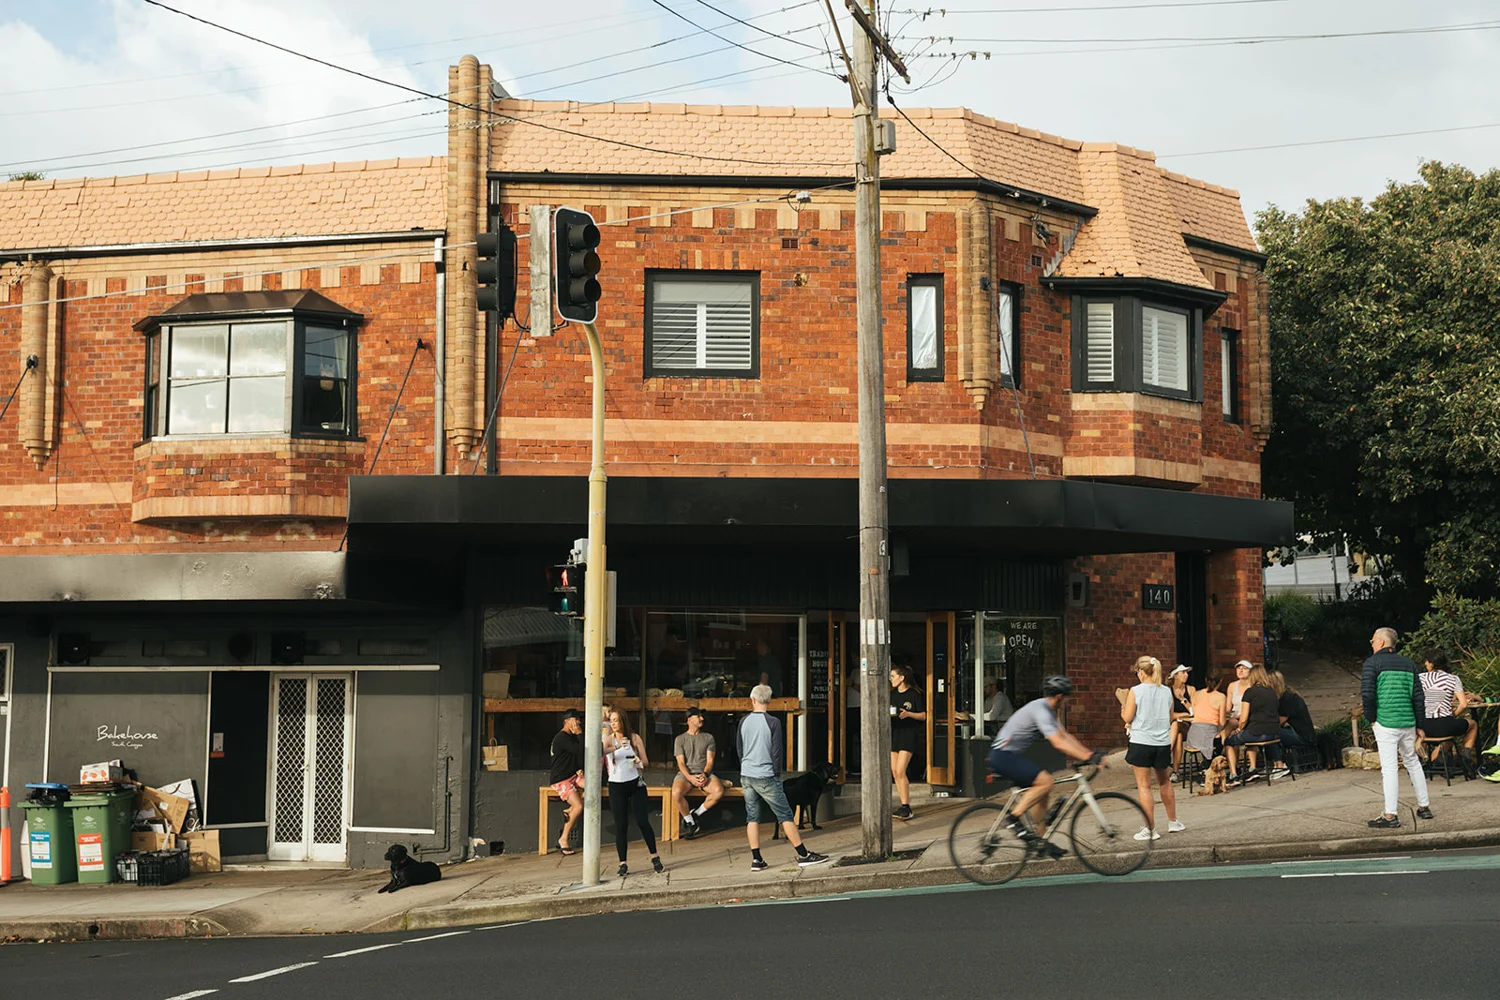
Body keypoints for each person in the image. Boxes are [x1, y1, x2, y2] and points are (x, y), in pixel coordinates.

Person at [986, 675, 1101, 852]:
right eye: (1065, 697)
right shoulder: (1041, 709)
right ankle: (1014, 818)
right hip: (1002, 756)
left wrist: (1088, 754)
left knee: (1043, 793)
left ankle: (1041, 842)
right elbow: (1057, 742)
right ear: (1060, 696)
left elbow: (1065, 736)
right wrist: (1087, 758)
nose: (1065, 701)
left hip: (1007, 755)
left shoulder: (1048, 711)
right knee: (1046, 781)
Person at [737, 684, 830, 872]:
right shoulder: (773, 722)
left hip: (747, 774)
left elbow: (739, 747)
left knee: (752, 817)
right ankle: (803, 854)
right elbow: (776, 752)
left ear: (753, 700)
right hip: (766, 775)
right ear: (769, 701)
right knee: (785, 815)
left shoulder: (743, 721)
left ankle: (756, 859)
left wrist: (745, 766)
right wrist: (776, 775)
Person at [1361, 627, 1432, 827]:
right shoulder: (1408, 664)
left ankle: (1390, 815)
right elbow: (1418, 697)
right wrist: (1420, 725)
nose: (1372, 644)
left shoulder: (1372, 663)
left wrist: (1371, 719)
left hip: (1385, 722)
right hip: (1408, 722)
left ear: (1381, 642)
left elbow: (1368, 694)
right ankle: (1424, 806)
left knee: (1390, 769)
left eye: (1373, 640)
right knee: (1413, 763)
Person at [1121, 656, 1183, 840]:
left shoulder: (1135, 691)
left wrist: (1123, 709)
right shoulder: (1166, 691)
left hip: (1141, 741)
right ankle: (1173, 822)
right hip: (1162, 742)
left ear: (1140, 672)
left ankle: (1150, 829)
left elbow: (1127, 717)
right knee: (1165, 782)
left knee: (1144, 786)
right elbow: (1170, 716)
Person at [604, 708, 664, 876]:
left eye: (616, 720)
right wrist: (617, 746)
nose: (613, 724)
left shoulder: (635, 738)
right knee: (621, 824)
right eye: (611, 720)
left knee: (642, 821)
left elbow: (645, 761)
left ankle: (655, 856)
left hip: (635, 783)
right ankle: (622, 862)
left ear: (623, 720)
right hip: (616, 785)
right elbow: (600, 752)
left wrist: (638, 762)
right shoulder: (608, 740)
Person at [1225, 665, 1286, 783]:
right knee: (1248, 737)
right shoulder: (1272, 691)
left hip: (1257, 732)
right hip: (1274, 733)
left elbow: (1243, 718)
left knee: (1229, 741)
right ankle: (1252, 769)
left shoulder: (1250, 692)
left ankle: (1233, 774)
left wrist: (1240, 728)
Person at [1417, 649, 1477, 764]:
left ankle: (1427, 761)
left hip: (1424, 726)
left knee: (1450, 730)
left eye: (1426, 661)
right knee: (1472, 724)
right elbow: (1464, 704)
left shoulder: (1420, 678)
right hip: (1445, 725)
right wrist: (1453, 714)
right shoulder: (1453, 679)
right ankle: (1465, 756)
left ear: (1432, 663)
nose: (1425, 664)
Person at [672, 707, 723, 839]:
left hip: (704, 773)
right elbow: (681, 763)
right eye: (698, 716)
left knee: (718, 791)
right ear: (689, 719)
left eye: (701, 716)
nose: (702, 719)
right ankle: (690, 822)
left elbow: (710, 761)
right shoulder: (680, 739)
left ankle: (696, 814)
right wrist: (690, 778)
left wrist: (704, 775)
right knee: (676, 793)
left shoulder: (708, 738)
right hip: (686, 774)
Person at [889, 662, 926, 821]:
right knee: (895, 772)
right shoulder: (892, 694)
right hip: (894, 732)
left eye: (893, 676)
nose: (890, 679)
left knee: (900, 770)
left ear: (902, 677)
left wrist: (909, 714)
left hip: (908, 734)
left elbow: (924, 715)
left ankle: (906, 806)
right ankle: (903, 805)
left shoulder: (914, 694)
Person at [548, 709, 585, 855]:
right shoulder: (562, 737)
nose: (578, 723)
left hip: (573, 775)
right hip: (561, 779)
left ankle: (569, 811)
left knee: (593, 788)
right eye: (575, 720)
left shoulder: (571, 737)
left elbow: (578, 756)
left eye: (579, 720)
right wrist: (580, 734)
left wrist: (579, 768)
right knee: (578, 806)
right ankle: (563, 839)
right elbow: (581, 750)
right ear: (567, 721)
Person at [1184, 669, 1227, 764]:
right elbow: (1222, 722)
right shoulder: (1221, 697)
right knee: (1223, 733)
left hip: (1193, 735)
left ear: (1205, 679)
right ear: (1220, 681)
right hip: (1209, 734)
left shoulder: (1196, 694)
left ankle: (1206, 762)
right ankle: (1212, 763)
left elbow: (1195, 713)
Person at [1269, 670, 1316, 753]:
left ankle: (1278, 761)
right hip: (1295, 731)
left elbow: (1278, 721)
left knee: (1270, 734)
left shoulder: (1286, 698)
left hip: (1301, 736)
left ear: (1273, 683)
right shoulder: (1286, 695)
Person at [1167, 664, 1195, 773]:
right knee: (1177, 735)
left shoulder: (1191, 689)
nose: (1186, 675)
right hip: (1171, 728)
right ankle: (1175, 771)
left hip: (1188, 727)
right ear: (1175, 676)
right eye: (1183, 672)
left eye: (1186, 672)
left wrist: (1182, 699)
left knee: (1176, 725)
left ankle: (1166, 752)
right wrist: (1184, 714)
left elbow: (1194, 712)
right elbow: (1170, 715)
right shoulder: (1168, 691)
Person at [1225, 659, 1253, 733]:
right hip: (1233, 717)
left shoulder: (1253, 686)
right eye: (1238, 668)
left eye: (1244, 668)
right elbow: (1228, 707)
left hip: (1247, 718)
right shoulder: (1232, 685)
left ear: (1250, 671)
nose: (1241, 670)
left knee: (1230, 725)